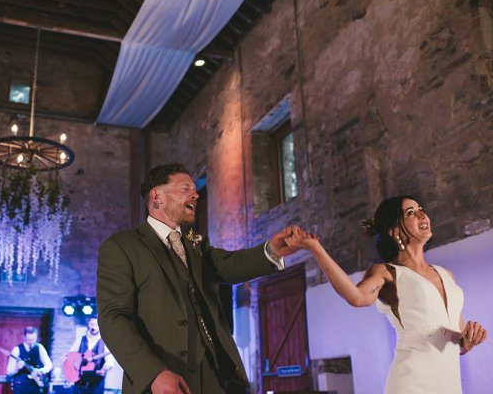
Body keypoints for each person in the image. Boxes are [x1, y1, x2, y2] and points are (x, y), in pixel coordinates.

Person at [97, 162, 302, 394]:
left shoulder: (195, 241)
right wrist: (153, 372)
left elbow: (227, 265)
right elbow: (113, 318)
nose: (195, 194)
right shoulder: (122, 247)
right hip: (162, 381)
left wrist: (272, 251)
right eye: (185, 188)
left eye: (194, 189)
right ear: (157, 197)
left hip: (215, 378)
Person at [285, 195, 487, 394]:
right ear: (395, 231)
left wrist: (469, 340)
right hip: (411, 384)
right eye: (411, 213)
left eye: (421, 209)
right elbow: (357, 297)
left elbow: (459, 343)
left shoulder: (447, 275)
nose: (422, 215)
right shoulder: (387, 273)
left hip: (450, 386)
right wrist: (315, 248)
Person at [69, 317, 115, 394]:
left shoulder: (105, 341)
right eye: (92, 324)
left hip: (96, 381)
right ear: (88, 325)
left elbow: (109, 361)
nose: (93, 327)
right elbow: (71, 355)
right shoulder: (81, 339)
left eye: (96, 325)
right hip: (80, 379)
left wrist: (104, 369)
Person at [6, 326, 53, 394]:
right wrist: (17, 368)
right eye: (29, 340)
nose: (31, 342)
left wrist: (41, 371)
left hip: (35, 385)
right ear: (24, 337)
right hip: (21, 386)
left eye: (33, 339)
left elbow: (49, 365)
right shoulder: (16, 350)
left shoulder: (39, 348)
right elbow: (9, 372)